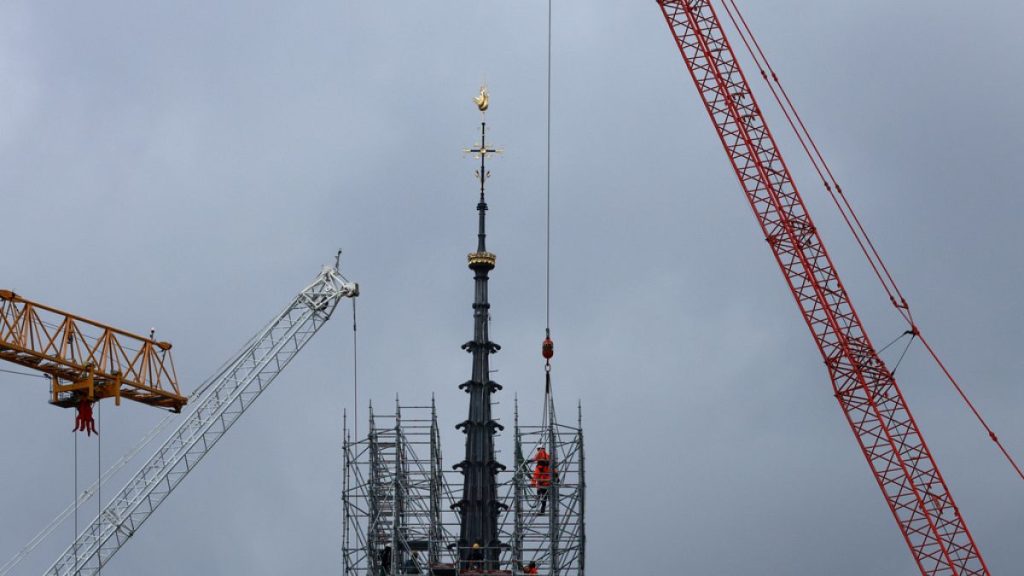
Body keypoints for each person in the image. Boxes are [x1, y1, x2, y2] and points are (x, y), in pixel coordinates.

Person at [531, 447, 553, 514]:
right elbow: (553, 469)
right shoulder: (547, 459)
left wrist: (533, 483)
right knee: (549, 498)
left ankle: (543, 510)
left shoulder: (540, 465)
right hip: (548, 484)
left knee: (543, 499)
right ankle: (551, 510)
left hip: (543, 484)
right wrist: (556, 476)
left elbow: (536, 475)